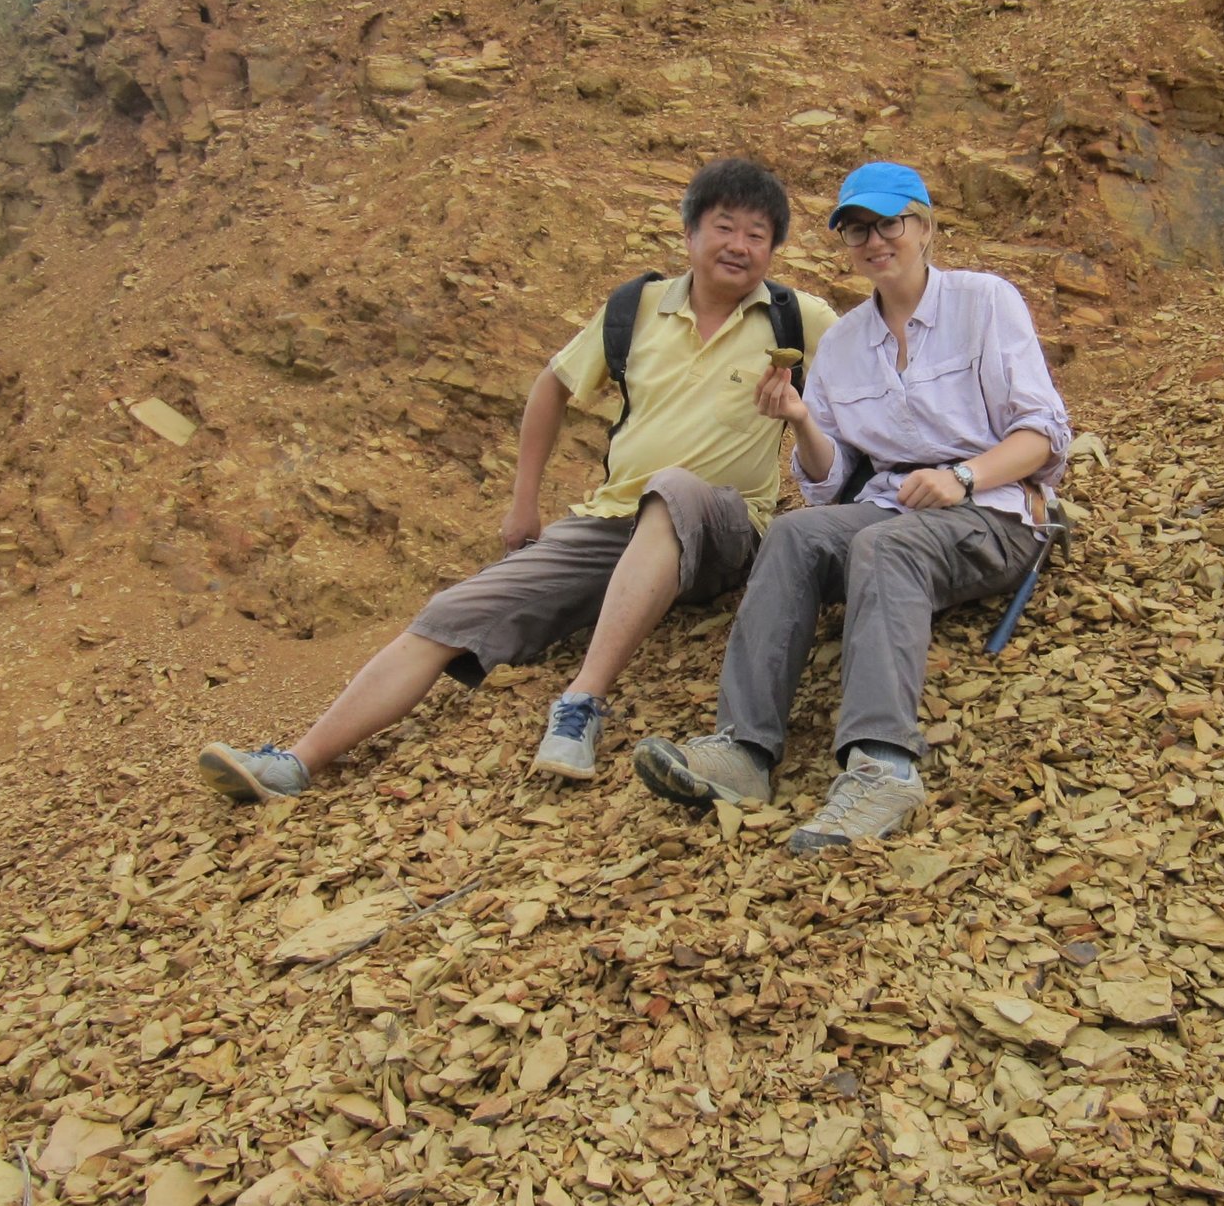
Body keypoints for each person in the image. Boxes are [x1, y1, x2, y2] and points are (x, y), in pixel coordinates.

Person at [199, 157, 837, 801]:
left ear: (775, 249)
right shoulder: (637, 308)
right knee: (452, 611)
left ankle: (582, 703)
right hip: (614, 520)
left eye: (758, 234)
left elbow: (851, 412)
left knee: (672, 489)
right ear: (690, 235)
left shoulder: (800, 319)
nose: (740, 245)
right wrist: (523, 505)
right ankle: (296, 763)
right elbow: (552, 387)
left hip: (727, 529)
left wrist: (805, 421)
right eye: (724, 226)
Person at [632, 161, 1072, 852]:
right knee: (797, 534)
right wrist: (803, 420)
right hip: (890, 508)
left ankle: (883, 765)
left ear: (925, 226)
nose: (873, 240)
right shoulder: (841, 342)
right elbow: (828, 485)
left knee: (883, 546)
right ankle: (744, 749)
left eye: (888, 222)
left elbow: (1045, 432)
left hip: (994, 512)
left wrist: (962, 474)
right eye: (855, 229)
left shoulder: (986, 302)